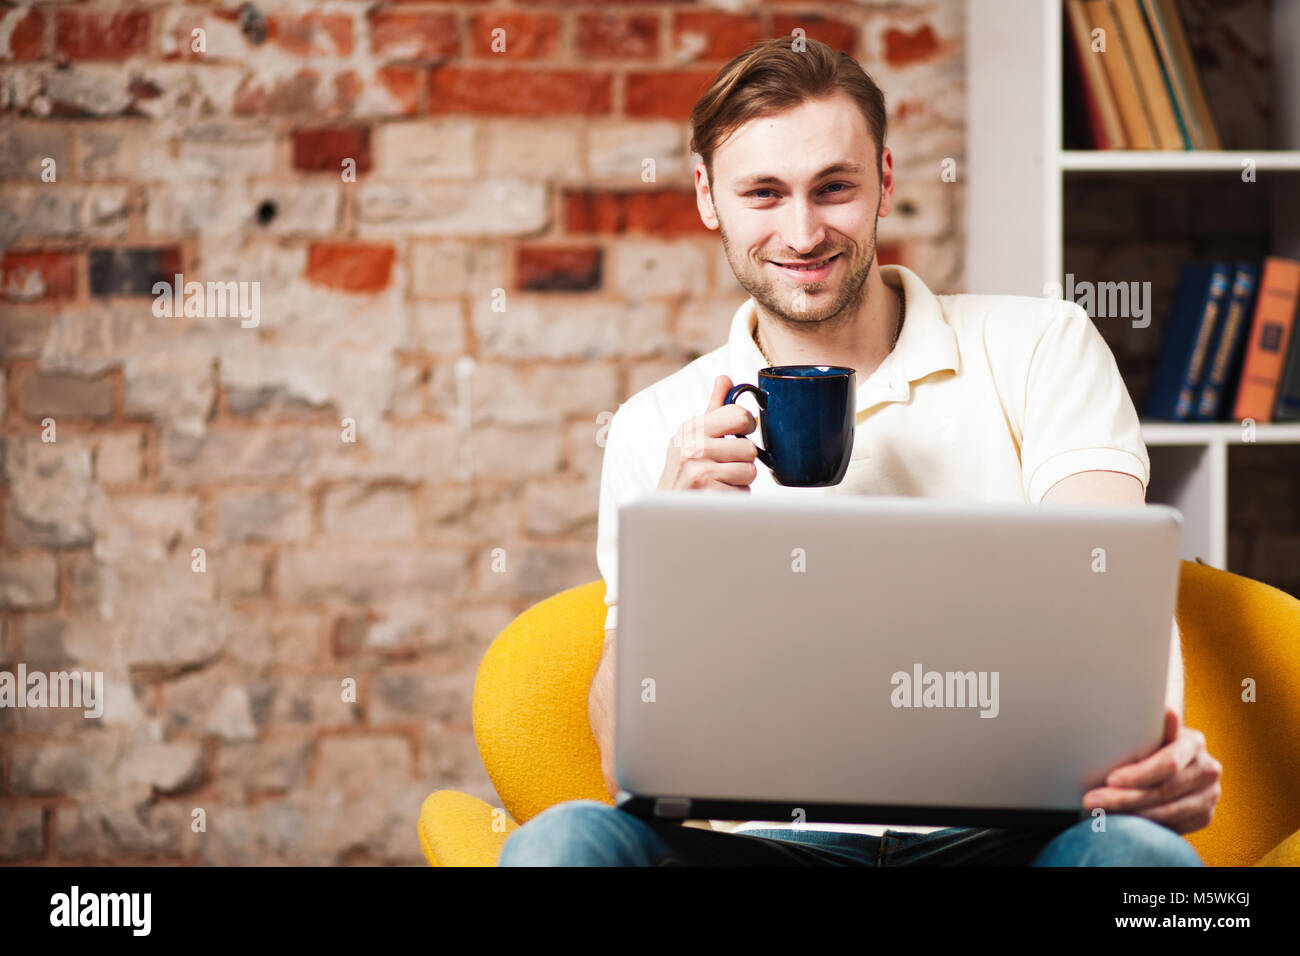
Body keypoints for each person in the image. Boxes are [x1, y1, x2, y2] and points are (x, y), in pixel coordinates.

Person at [499, 36, 1220, 867]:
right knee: (562, 844)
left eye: (833, 188)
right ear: (706, 197)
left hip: (1013, 839)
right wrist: (678, 541)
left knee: (1139, 860)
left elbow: (1112, 591)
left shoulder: (1042, 345)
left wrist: (1158, 762)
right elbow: (620, 748)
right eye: (762, 194)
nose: (803, 233)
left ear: (883, 178)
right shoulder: (655, 425)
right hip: (772, 848)